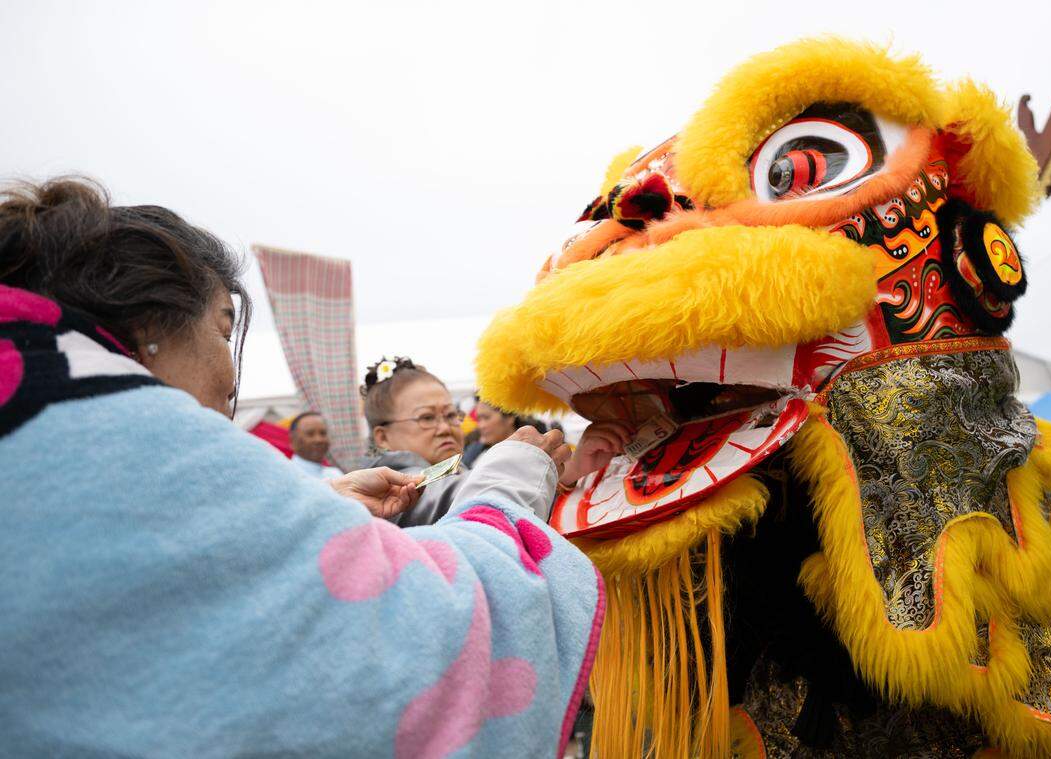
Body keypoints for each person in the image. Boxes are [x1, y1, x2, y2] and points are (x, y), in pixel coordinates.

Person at [0, 178, 604, 757]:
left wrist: (329, 504)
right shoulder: (130, 430)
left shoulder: (45, 401)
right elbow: (420, 633)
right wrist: (509, 479)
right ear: (152, 324)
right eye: (223, 329)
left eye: (451, 413)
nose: (447, 427)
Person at [362, 357, 632, 526]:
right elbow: (455, 497)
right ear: (382, 437)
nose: (445, 428)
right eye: (426, 418)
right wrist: (523, 461)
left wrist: (570, 473)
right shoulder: (390, 488)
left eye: (450, 415)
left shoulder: (460, 469)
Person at [462, 398, 522, 468]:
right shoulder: (474, 452)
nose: (481, 426)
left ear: (509, 417)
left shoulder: (529, 451)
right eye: (478, 419)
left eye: (486, 418)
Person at [288, 410, 343, 479]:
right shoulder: (286, 475)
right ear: (293, 440)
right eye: (310, 434)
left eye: (323, 433)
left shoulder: (335, 474)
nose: (318, 440)